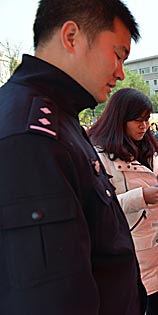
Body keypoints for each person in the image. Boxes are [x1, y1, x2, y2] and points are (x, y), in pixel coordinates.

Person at [0, 1, 145, 314]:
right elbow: (49, 295)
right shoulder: (31, 134)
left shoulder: (59, 117)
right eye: (118, 55)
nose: (121, 73)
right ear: (71, 37)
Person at [88, 88, 158, 315]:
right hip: (132, 244)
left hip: (157, 239)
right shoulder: (100, 155)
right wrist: (142, 196)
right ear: (119, 118)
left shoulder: (147, 147)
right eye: (137, 120)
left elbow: (152, 186)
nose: (144, 126)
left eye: (146, 120)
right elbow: (100, 205)